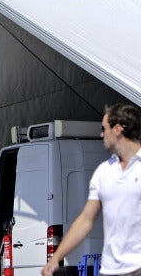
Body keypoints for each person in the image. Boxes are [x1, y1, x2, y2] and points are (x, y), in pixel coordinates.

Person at [42, 103, 141, 276]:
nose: (101, 134)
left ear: (117, 129)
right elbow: (86, 220)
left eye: (104, 128)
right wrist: (56, 258)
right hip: (110, 270)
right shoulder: (104, 171)